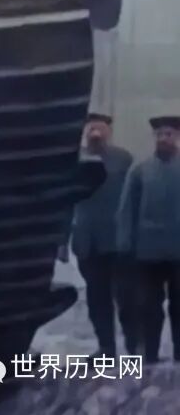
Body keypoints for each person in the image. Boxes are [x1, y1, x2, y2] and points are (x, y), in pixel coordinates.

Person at [66, 113, 136, 356]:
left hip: (118, 241)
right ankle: (106, 348)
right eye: (91, 129)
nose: (95, 134)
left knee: (126, 298)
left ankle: (133, 347)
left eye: (100, 129)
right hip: (87, 242)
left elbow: (133, 198)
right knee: (97, 300)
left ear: (108, 132)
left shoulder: (123, 159)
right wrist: (62, 242)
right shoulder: (74, 159)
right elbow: (65, 201)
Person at [116, 114, 180, 363]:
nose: (164, 139)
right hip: (147, 253)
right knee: (149, 307)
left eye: (169, 134)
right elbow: (126, 210)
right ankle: (150, 355)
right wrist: (125, 245)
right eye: (160, 134)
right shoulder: (140, 171)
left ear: (177, 137)